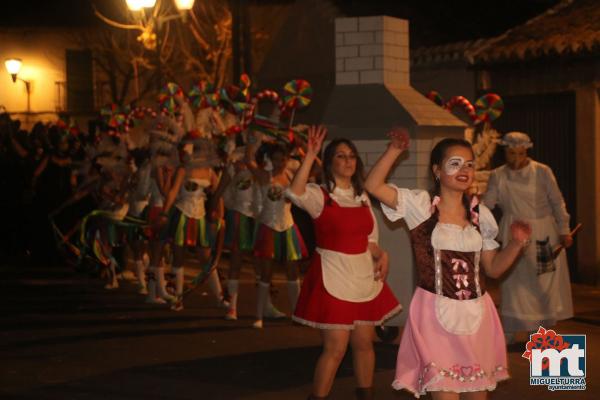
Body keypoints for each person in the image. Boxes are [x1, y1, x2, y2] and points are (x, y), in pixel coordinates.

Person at [365, 129, 532, 399]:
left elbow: (493, 269)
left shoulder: (481, 214)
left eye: (469, 164)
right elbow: (373, 186)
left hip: (478, 315)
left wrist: (516, 244)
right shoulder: (420, 205)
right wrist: (394, 150)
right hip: (434, 315)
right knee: (445, 394)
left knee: (477, 395)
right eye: (455, 163)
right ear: (437, 170)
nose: (464, 169)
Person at [287, 126, 401, 400]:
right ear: (330, 163)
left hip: (362, 274)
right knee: (336, 348)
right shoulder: (319, 195)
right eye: (341, 156)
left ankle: (366, 395)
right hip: (333, 273)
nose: (348, 161)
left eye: (352, 156)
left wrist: (382, 255)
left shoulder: (362, 197)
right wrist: (310, 153)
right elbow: (294, 192)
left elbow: (371, 241)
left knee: (364, 343)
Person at [483, 131, 573, 344]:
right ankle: (512, 328)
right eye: (511, 153)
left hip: (543, 234)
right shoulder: (498, 175)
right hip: (513, 233)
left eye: (520, 153)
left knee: (543, 282)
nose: (516, 158)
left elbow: (557, 202)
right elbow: (488, 204)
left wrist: (564, 229)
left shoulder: (542, 172)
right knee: (513, 281)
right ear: (505, 152)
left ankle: (540, 331)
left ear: (527, 151)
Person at [246, 133, 308, 328]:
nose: (280, 162)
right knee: (266, 272)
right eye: (276, 159)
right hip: (269, 225)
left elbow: (315, 168)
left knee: (292, 271)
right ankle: (259, 316)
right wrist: (253, 141)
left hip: (288, 224)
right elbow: (248, 161)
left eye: (283, 159)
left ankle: (298, 313)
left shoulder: (291, 176)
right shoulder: (266, 176)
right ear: (270, 160)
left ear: (287, 160)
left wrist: (305, 147)